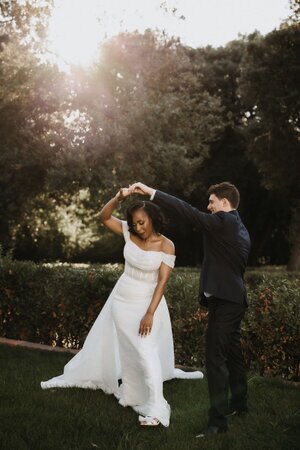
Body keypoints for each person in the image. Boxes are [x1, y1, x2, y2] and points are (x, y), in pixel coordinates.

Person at [41, 188, 203, 427]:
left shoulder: (167, 246)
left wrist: (149, 313)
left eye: (142, 222)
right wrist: (118, 198)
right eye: (134, 223)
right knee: (129, 350)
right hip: (122, 299)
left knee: (146, 351)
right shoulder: (129, 232)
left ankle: (158, 406)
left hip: (147, 303)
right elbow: (104, 217)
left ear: (153, 219)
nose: (138, 227)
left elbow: (162, 283)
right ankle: (133, 393)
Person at [130, 181, 251, 437]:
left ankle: (217, 424)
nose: (208, 207)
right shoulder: (238, 228)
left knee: (215, 359)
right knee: (233, 353)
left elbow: (187, 211)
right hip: (231, 299)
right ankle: (240, 405)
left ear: (225, 203)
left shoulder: (225, 222)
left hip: (227, 301)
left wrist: (152, 193)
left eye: (212, 201)